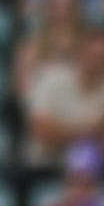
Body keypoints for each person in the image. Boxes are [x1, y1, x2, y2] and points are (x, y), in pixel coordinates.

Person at [25, 26, 104, 169]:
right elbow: (41, 131)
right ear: (81, 53)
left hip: (93, 171)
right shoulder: (51, 78)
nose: (96, 63)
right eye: (92, 55)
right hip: (46, 165)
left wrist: (61, 130)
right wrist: (90, 132)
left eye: (101, 59)